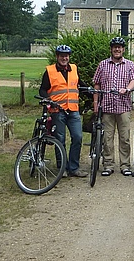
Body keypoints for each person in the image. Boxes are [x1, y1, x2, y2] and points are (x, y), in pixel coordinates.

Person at [92, 36, 134, 176]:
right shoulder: (103, 64)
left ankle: (125, 165)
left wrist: (128, 89)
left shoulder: (130, 65)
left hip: (123, 106)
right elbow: (96, 83)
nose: (117, 49)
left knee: (124, 137)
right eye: (114, 47)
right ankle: (108, 165)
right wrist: (95, 103)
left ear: (123, 49)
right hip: (106, 106)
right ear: (111, 49)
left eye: (119, 47)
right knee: (107, 138)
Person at [38, 44, 87, 178]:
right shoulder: (50, 71)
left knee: (77, 137)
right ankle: (62, 168)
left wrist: (90, 91)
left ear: (69, 57)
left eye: (66, 56)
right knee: (60, 139)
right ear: (57, 57)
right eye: (61, 56)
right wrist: (47, 99)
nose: (64, 58)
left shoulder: (74, 69)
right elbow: (43, 89)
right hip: (57, 110)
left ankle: (74, 167)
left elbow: (79, 84)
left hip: (73, 110)